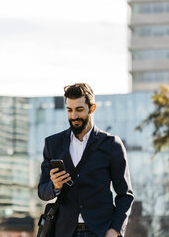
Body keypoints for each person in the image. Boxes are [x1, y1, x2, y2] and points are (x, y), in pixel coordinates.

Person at [38, 83, 134, 237]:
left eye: (79, 109)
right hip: (64, 232)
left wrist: (115, 230)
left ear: (92, 108)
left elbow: (125, 195)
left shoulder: (111, 145)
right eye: (69, 110)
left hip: (100, 232)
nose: (74, 116)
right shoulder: (52, 144)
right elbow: (43, 192)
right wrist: (54, 186)